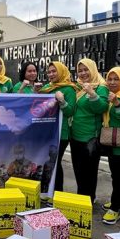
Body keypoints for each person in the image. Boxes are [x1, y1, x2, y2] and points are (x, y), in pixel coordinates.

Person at [65, 58, 108, 201]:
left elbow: (101, 108)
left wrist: (92, 93)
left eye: (86, 70)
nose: (83, 73)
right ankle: (81, 198)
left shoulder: (100, 87)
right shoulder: (77, 87)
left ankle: (89, 198)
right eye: (80, 70)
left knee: (89, 171)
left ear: (93, 70)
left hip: (90, 138)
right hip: (75, 135)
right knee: (78, 170)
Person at [100, 67, 120, 225]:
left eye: (116, 79)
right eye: (109, 79)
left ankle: (115, 208)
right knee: (116, 175)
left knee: (119, 176)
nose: (112, 82)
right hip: (112, 141)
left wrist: (117, 103)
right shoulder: (109, 94)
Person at [41, 61, 78, 192]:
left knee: (55, 162)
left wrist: (62, 101)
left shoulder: (69, 89)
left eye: (54, 71)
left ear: (61, 71)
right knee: (48, 161)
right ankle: (47, 190)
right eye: (49, 71)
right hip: (47, 131)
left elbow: (70, 111)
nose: (51, 74)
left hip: (61, 133)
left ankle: (56, 192)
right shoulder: (47, 87)